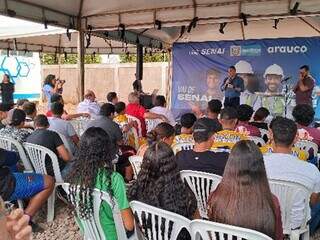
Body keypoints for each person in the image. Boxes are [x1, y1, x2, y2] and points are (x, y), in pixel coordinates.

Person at [66, 127, 135, 240]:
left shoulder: (74, 177)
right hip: (114, 236)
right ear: (107, 150)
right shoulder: (114, 179)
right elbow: (129, 225)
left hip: (90, 234)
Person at [207, 140, 283, 240]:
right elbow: (278, 237)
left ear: (230, 165)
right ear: (261, 167)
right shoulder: (272, 202)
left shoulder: (215, 197)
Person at [128, 142, 199, 240]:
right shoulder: (186, 196)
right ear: (173, 164)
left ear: (145, 164)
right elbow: (196, 226)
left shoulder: (135, 191)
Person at [264, 117, 320, 234]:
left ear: (271, 136)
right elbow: (313, 201)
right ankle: (309, 233)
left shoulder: (257, 163)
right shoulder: (311, 170)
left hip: (263, 219)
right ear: (296, 139)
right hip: (296, 225)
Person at [0, 149, 54, 229]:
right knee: (49, 181)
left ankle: (20, 203)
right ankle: (25, 220)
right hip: (5, 186)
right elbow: (12, 158)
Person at [85, 103, 133, 180]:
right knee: (130, 153)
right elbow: (120, 143)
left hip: (90, 154)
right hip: (108, 156)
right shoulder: (113, 125)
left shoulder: (89, 123)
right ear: (111, 114)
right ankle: (128, 181)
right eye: (113, 114)